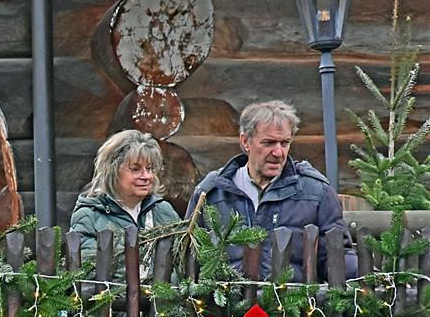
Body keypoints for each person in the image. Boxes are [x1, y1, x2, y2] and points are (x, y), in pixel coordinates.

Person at [186, 100, 357, 280]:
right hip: (224, 306)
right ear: (245, 141)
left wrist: (367, 282)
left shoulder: (316, 193)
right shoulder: (213, 191)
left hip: (293, 305)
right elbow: (186, 257)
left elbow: (338, 258)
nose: (278, 153)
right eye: (269, 143)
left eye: (284, 143)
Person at [68, 129, 181, 281]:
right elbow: (89, 274)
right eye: (135, 169)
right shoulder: (90, 215)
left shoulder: (164, 211)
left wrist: (164, 291)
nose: (146, 176)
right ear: (112, 171)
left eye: (149, 168)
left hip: (163, 304)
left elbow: (184, 266)